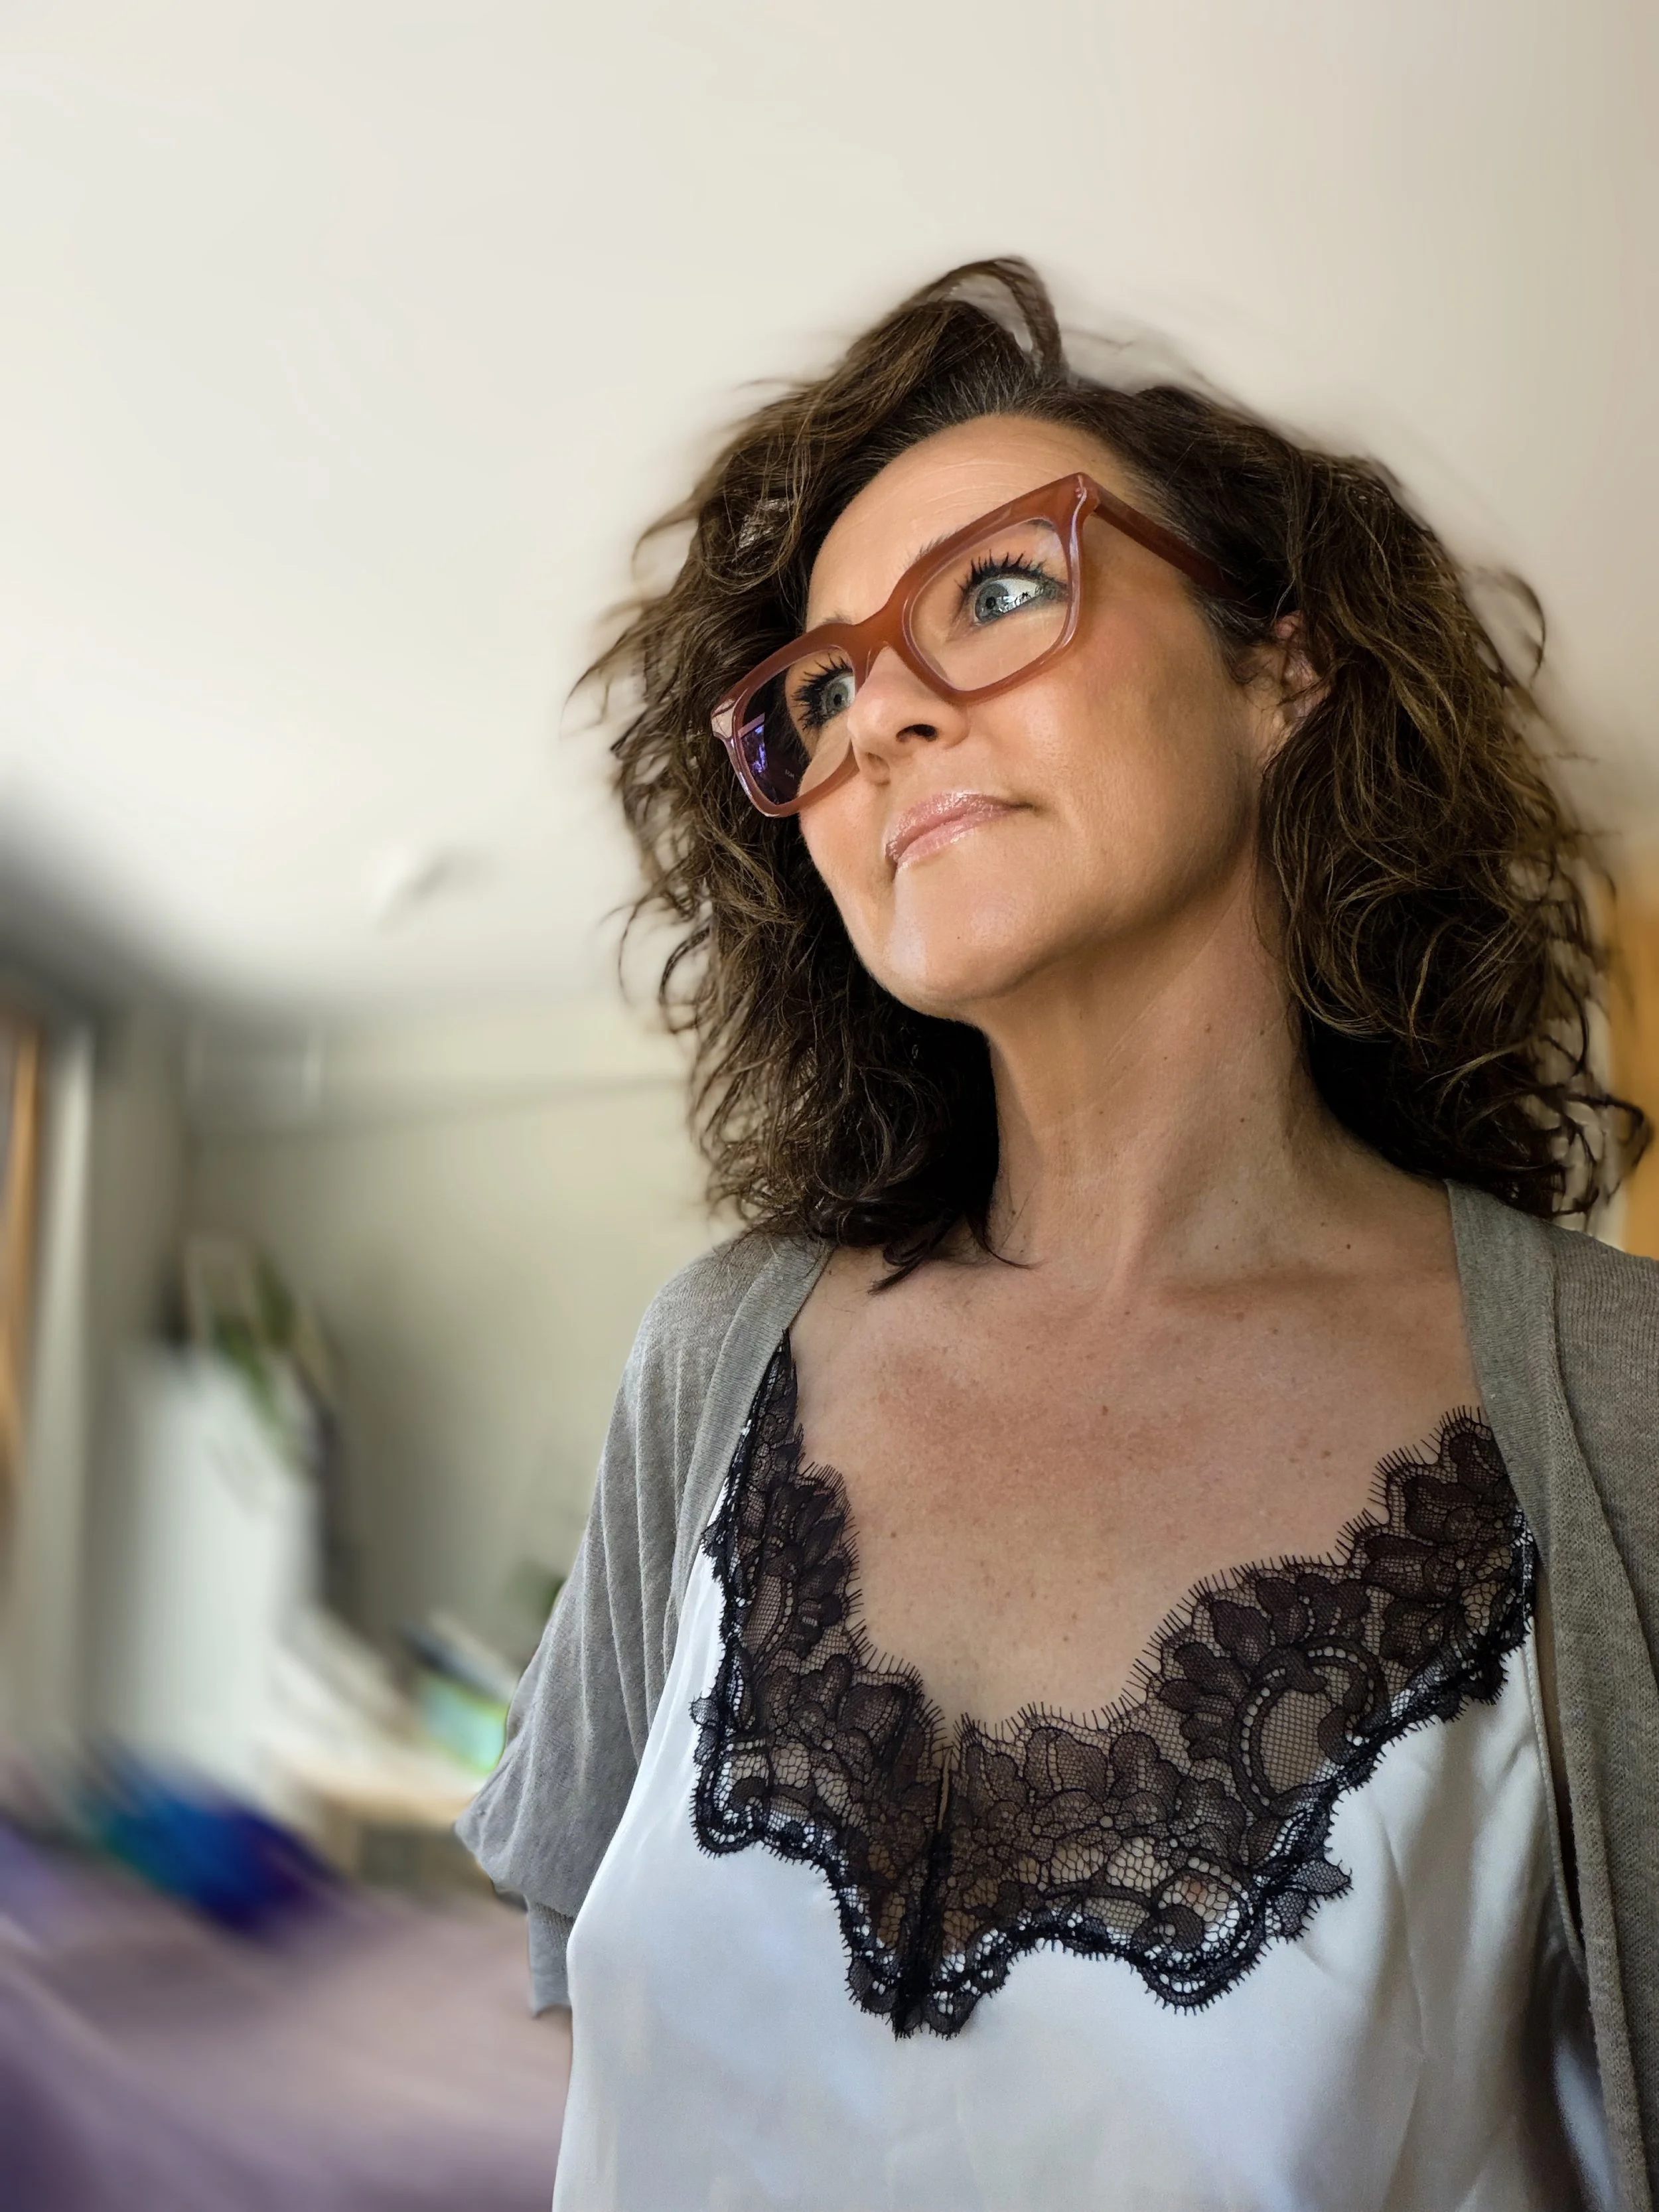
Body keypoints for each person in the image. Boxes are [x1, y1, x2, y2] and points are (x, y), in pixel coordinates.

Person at [460, 260, 1659, 2211]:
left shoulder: (1616, 1402)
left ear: (1284, 667)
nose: (881, 721)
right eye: (822, 689)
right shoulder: (710, 1357)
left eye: (1002, 588)